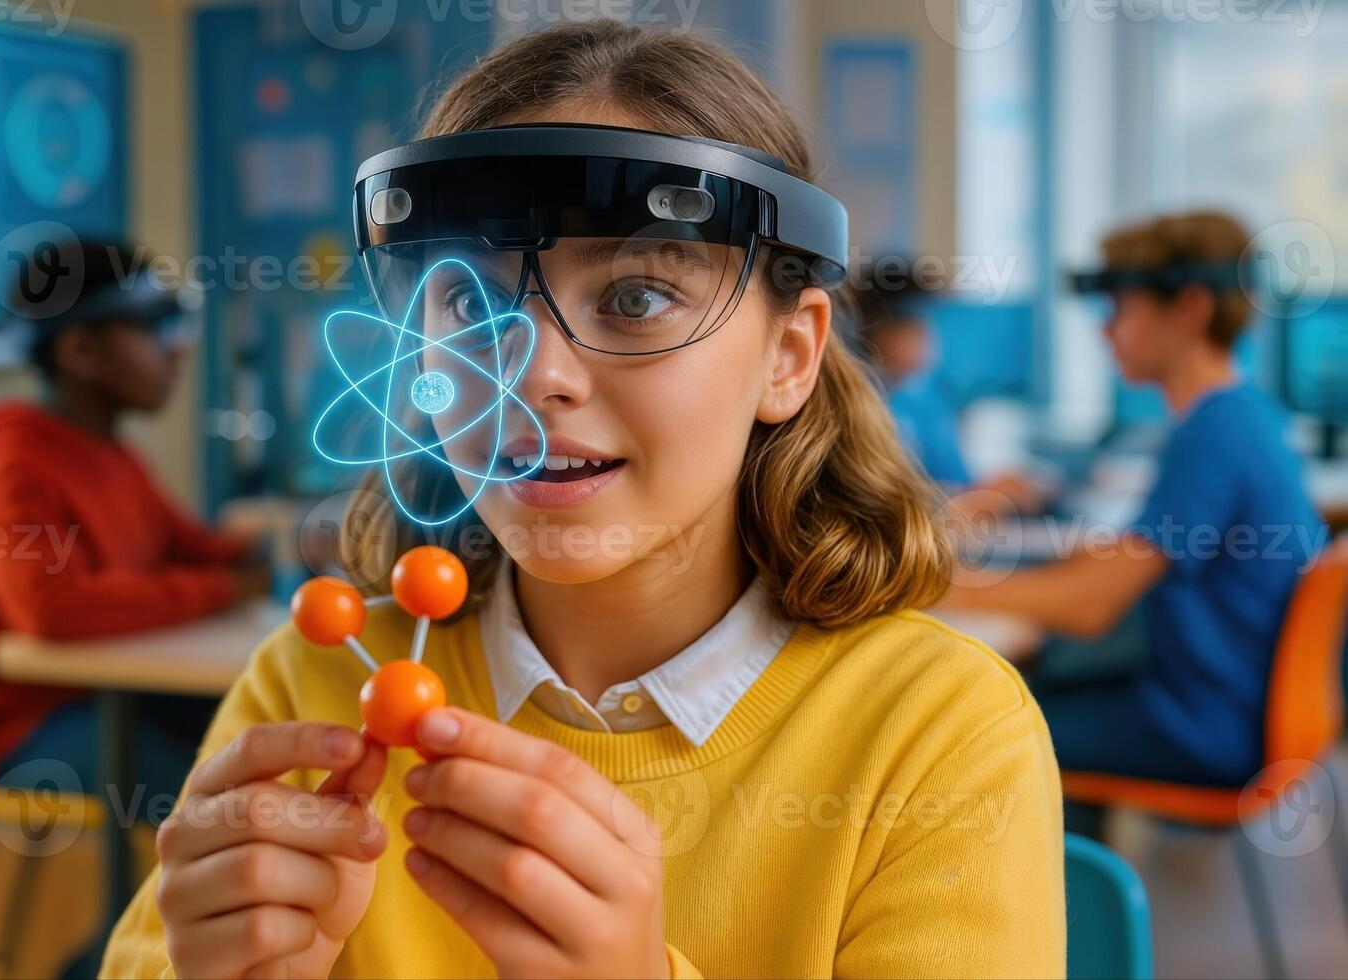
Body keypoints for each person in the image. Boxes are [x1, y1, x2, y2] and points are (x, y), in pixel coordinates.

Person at [104, 20, 1064, 978]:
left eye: (637, 296)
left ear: (789, 356)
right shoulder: (317, 686)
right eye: (472, 305)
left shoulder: (940, 731)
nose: (537, 375)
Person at [944, 211, 1326, 793]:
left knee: (975, 726)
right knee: (1023, 689)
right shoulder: (1241, 417)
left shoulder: (1214, 433)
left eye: (1119, 309)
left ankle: (1073, 879)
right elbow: (1128, 559)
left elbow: (1092, 607)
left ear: (1190, 308)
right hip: (1216, 707)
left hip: (1202, 729)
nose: (1105, 331)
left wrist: (942, 587)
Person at [0, 240, 272, 797]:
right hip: (22, 724)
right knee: (220, 805)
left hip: (113, 689)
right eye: (156, 327)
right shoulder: (15, 464)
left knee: (265, 741)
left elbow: (195, 547)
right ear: (79, 352)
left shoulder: (113, 454)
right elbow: (51, 609)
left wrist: (292, 542)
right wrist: (225, 587)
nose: (179, 351)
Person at [856, 264, 1046, 513]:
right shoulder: (855, 405)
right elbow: (874, 504)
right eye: (918, 326)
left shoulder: (925, 399)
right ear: (877, 330)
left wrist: (988, 490)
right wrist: (969, 500)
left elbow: (955, 480)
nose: (930, 337)